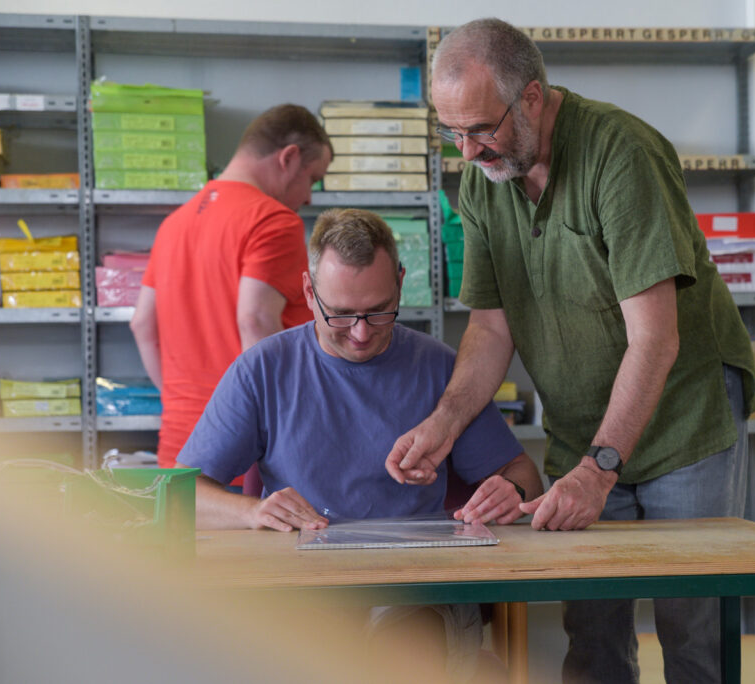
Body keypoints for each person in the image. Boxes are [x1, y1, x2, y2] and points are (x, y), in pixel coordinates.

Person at [386, 18, 755, 684]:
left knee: (690, 623)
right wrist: (443, 424)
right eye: (453, 133)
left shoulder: (621, 155)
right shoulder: (484, 182)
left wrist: (599, 469)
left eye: (480, 129)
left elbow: (656, 338)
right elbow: (490, 327)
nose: (468, 152)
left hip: (682, 412)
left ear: (531, 97)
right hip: (580, 415)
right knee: (590, 626)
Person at [176, 208, 543, 684]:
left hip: (418, 589)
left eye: (379, 310)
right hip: (305, 589)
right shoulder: (263, 371)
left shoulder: (442, 370)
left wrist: (509, 490)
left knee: (403, 660)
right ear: (309, 292)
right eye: (342, 314)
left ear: (402, 283)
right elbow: (180, 496)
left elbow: (525, 476)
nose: (362, 333)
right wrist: (251, 513)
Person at [130, 104, 333, 481]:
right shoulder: (273, 220)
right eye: (312, 178)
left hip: (179, 445)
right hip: (242, 455)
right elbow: (254, 319)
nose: (308, 197)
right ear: (288, 158)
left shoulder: (174, 224)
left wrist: (185, 403)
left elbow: (142, 324)